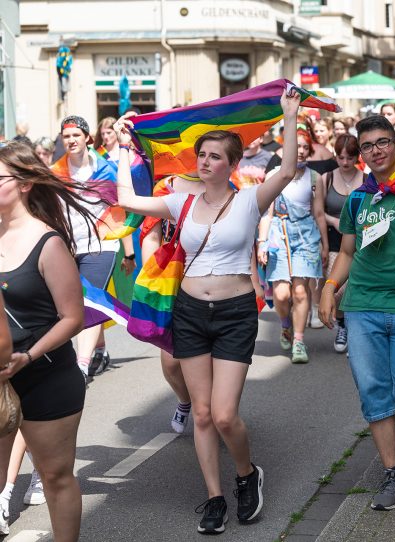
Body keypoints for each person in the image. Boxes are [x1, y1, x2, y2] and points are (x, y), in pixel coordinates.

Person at [112, 88, 302, 534]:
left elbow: (289, 168)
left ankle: (246, 473)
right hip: (191, 311)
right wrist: (123, 148)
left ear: (232, 164)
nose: (204, 162)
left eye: (215, 156)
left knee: (223, 415)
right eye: (202, 155)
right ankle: (214, 496)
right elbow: (127, 199)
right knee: (200, 413)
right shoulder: (182, 202)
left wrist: (289, 116)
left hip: (236, 312)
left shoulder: (249, 200)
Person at [319, 115, 395, 511]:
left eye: (383, 142)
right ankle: (393, 473)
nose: (375, 151)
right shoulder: (358, 199)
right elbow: (349, 251)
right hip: (364, 307)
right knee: (375, 395)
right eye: (367, 146)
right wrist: (330, 288)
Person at [0, 141, 94, 541]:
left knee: (55, 477)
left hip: (45, 374)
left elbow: (74, 318)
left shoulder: (48, 241)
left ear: (22, 184)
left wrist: (28, 356)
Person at [55, 116, 136, 381]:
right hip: (67, 246)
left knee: (88, 297)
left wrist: (129, 251)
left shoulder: (106, 171)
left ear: (88, 138)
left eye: (76, 135)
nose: (71, 141)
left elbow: (120, 211)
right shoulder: (55, 172)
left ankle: (81, 364)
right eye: (66, 136)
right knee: (81, 301)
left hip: (101, 245)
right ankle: (100, 349)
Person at [140, 173, 206, 433]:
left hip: (210, 280)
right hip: (171, 280)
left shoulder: (221, 183)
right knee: (171, 361)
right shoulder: (165, 186)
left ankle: (210, 412)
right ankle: (185, 400)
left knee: (209, 357)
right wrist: (152, 280)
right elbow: (151, 235)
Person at [258, 129, 329, 363]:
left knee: (300, 290)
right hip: (278, 235)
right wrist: (262, 243)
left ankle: (299, 341)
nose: (300, 151)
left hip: (306, 235)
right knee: (281, 294)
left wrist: (325, 246)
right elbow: (266, 213)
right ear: (286, 149)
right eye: (296, 146)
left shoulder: (314, 178)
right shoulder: (273, 176)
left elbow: (319, 213)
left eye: (304, 148)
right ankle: (285, 323)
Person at [319, 134, 364, 353]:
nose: (345, 162)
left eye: (349, 157)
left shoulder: (366, 179)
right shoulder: (326, 178)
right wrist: (334, 223)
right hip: (335, 242)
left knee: (356, 288)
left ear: (357, 157)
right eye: (340, 157)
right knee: (337, 290)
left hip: (361, 243)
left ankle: (355, 329)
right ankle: (343, 325)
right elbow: (318, 212)